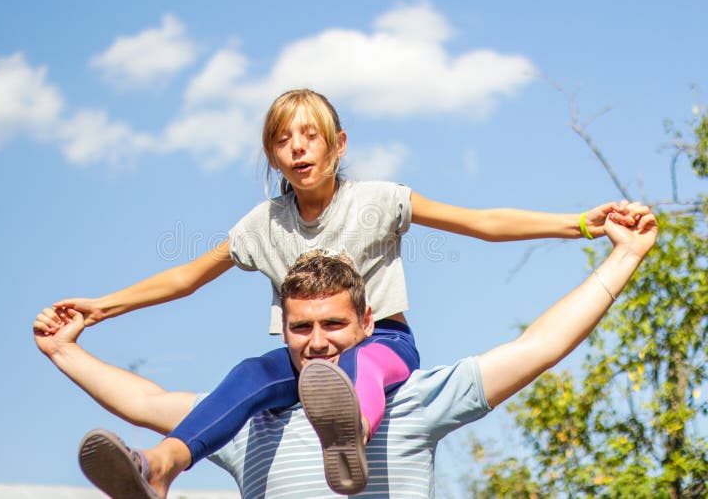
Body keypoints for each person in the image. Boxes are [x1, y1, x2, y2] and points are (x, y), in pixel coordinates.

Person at [44, 88, 637, 494]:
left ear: (338, 144)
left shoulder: (378, 201)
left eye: (310, 135)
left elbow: (479, 222)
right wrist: (102, 306)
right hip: (303, 368)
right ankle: (159, 467)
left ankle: (350, 433)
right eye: (283, 139)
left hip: (385, 346)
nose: (298, 147)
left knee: (362, 367)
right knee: (252, 374)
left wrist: (579, 223)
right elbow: (185, 278)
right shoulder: (262, 225)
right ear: (272, 154)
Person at [34, 207, 656, 498]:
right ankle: (159, 468)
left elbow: (538, 347)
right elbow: (145, 399)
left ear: (366, 322)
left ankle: (353, 431)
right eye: (302, 328)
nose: (319, 341)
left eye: (334, 324)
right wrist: (65, 352)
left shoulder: (413, 401)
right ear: (282, 326)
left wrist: (622, 255)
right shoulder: (250, 420)